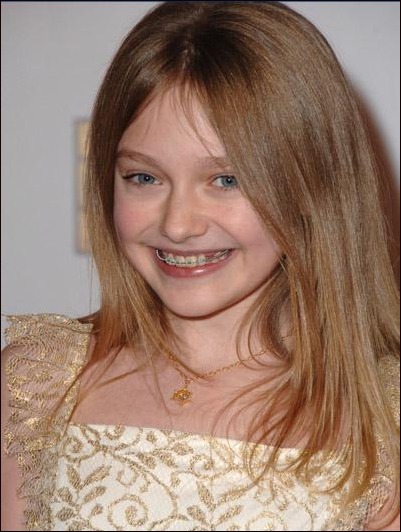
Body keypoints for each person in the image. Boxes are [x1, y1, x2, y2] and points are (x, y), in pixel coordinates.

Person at [1, 2, 399, 530]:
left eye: (226, 180)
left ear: (312, 189)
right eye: (144, 178)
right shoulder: (39, 382)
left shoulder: (383, 416)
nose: (178, 224)